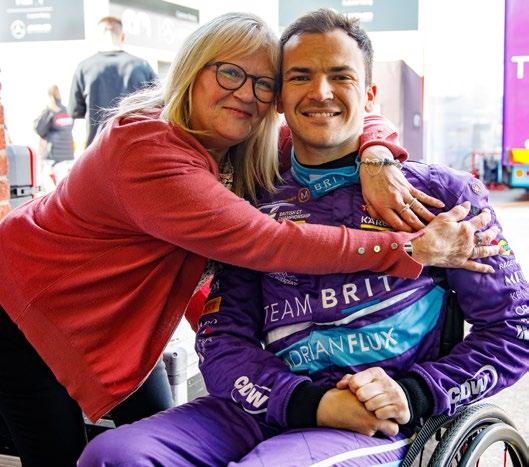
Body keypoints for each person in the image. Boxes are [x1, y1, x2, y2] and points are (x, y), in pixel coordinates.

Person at [0, 12, 497, 467]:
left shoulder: (242, 148)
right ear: (192, 69)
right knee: (80, 456)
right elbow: (271, 243)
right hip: (22, 305)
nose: (246, 93)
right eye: (230, 73)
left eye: (263, 83)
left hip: (116, 320)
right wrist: (406, 249)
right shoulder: (146, 148)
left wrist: (377, 154)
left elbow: (331, 112)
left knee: (139, 436)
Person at [68, 16, 157, 147]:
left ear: (98, 37)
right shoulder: (142, 66)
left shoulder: (84, 68)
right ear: (122, 36)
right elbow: (158, 109)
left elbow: (76, 116)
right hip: (136, 149)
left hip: (97, 150)